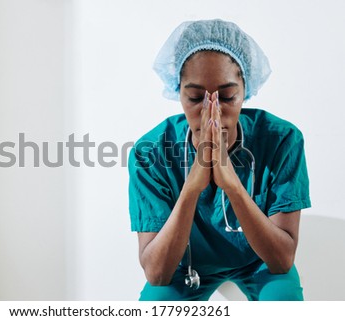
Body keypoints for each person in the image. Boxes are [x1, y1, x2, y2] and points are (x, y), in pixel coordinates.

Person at [128, 19, 311, 301]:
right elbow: (157, 273)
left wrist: (232, 185)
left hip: (260, 262)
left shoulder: (282, 140)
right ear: (178, 92)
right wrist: (192, 186)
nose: (212, 111)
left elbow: (281, 260)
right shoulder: (150, 152)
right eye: (194, 97)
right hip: (186, 265)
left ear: (245, 91)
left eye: (226, 96)